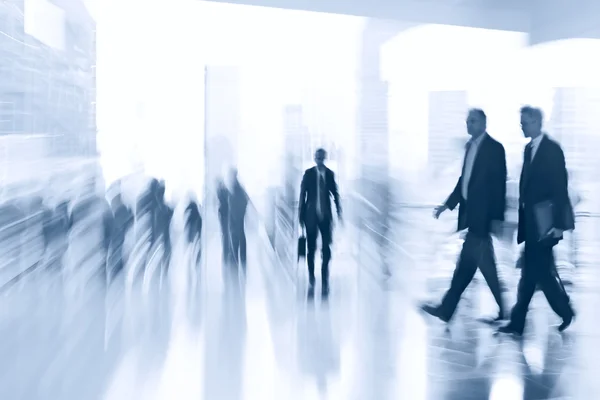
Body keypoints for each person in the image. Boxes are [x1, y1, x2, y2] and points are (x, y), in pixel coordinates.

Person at [421, 109, 507, 323]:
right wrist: (447, 205)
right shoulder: (470, 147)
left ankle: (447, 310)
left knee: (470, 266)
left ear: (484, 123)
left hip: (483, 218)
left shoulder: (495, 149)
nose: (468, 125)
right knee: (477, 266)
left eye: (472, 121)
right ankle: (501, 310)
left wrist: (496, 218)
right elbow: (464, 181)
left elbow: (499, 186)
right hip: (471, 215)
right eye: (467, 121)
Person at [498, 106, 575, 336]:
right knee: (534, 274)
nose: (522, 126)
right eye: (521, 122)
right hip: (532, 223)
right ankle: (556, 313)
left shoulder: (552, 150)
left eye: (526, 122)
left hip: (546, 223)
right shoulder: (528, 149)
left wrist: (559, 224)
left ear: (538, 122)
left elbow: (560, 187)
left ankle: (557, 313)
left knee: (537, 273)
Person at [299, 148, 342, 296]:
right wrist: (300, 216)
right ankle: (311, 277)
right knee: (311, 249)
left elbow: (335, 194)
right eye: (317, 158)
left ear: (324, 159)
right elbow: (302, 196)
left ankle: (325, 279)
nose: (319, 160)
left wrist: (339, 211)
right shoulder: (308, 174)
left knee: (326, 248)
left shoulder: (329, 174)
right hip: (310, 217)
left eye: (321, 158)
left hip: (325, 217)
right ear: (314, 159)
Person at [228, 169, 249, 271]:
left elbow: (232, 205)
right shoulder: (239, 189)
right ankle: (241, 264)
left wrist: (236, 215)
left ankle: (236, 266)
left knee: (236, 245)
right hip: (239, 222)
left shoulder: (234, 189)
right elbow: (246, 200)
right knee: (241, 244)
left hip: (235, 223)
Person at [217, 178, 231, 263]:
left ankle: (226, 253)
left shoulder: (220, 191)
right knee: (225, 234)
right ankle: (226, 253)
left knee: (224, 233)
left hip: (223, 214)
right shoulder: (223, 191)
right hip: (225, 214)